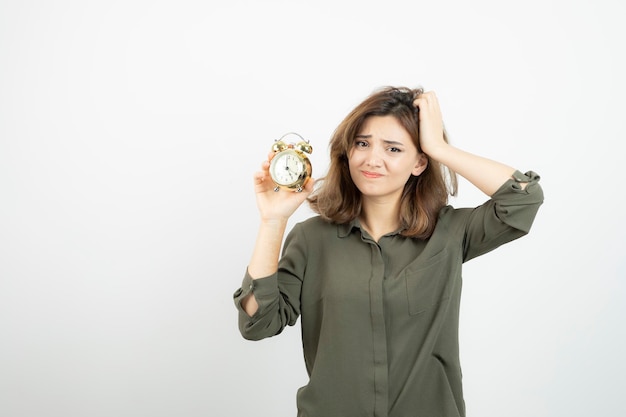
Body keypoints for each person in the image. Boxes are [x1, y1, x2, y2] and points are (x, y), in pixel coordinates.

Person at [233, 86, 544, 417]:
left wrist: (438, 146)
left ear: (420, 162)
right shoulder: (312, 239)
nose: (372, 160)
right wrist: (272, 221)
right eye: (362, 143)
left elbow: (523, 198)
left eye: (393, 149)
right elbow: (257, 323)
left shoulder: (450, 232)